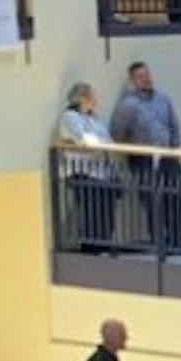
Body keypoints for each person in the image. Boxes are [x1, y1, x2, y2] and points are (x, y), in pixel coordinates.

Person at [109, 62, 181, 253]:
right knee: (152, 200)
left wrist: (174, 146)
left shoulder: (163, 98)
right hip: (143, 159)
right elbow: (117, 134)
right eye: (141, 76)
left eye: (148, 74)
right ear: (133, 81)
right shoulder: (127, 105)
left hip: (168, 157)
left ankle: (177, 240)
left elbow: (174, 124)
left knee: (174, 197)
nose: (147, 79)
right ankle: (158, 242)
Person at [56, 82, 119, 253]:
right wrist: (100, 144)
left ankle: (105, 246)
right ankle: (91, 249)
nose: (95, 100)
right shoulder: (69, 117)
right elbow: (83, 139)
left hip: (101, 172)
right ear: (82, 98)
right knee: (91, 211)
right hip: (82, 171)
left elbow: (108, 140)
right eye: (91, 97)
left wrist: (103, 145)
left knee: (106, 210)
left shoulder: (95, 120)